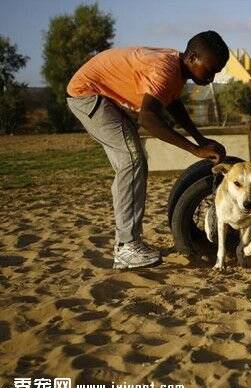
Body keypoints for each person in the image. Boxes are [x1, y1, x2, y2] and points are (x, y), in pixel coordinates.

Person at [66, 31, 229, 269]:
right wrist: (194, 149)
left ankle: (128, 242)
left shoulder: (175, 69)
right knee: (132, 160)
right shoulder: (165, 69)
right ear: (193, 57)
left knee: (131, 163)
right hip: (88, 95)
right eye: (211, 70)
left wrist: (200, 138)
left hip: (101, 95)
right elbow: (148, 118)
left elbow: (173, 105)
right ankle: (126, 246)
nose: (212, 78)